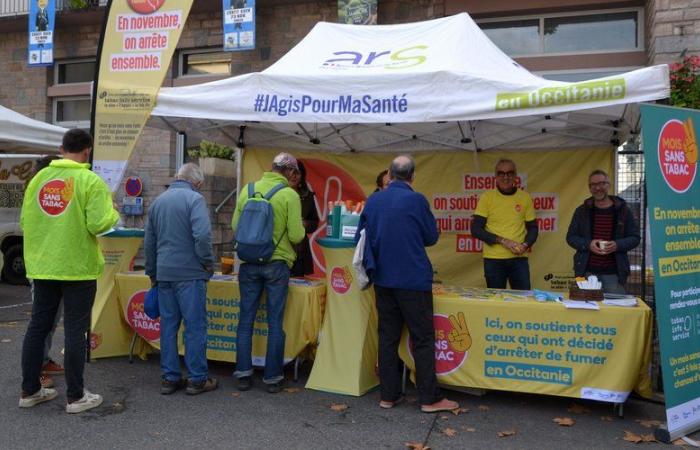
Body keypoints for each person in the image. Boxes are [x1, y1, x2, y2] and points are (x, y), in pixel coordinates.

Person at [19, 129, 119, 413]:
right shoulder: (90, 181)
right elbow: (99, 224)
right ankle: (75, 396)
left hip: (42, 265)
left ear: (62, 149)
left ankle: (30, 390)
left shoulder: (38, 179)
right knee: (75, 330)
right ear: (87, 151)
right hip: (77, 267)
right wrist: (113, 211)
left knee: (38, 326)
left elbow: (26, 221)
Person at [357, 155, 459, 413]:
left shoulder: (374, 200)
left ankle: (388, 396)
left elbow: (362, 234)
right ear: (413, 176)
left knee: (387, 337)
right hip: (413, 280)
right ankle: (429, 399)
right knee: (423, 339)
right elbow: (431, 237)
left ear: (389, 175)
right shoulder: (416, 200)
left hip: (382, 278)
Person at [232, 153, 305, 393]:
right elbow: (296, 236)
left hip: (249, 263)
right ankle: (272, 378)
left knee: (245, 320)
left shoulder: (248, 190)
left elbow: (235, 227)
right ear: (290, 173)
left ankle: (243, 374)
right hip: (277, 265)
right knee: (275, 322)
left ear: (272, 168)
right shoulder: (289, 195)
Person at [144, 163, 218, 396]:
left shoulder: (158, 201)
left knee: (168, 327)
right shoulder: (194, 200)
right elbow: (203, 235)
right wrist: (207, 262)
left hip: (164, 273)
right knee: (195, 327)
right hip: (190, 273)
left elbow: (149, 242)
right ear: (198, 183)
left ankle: (169, 377)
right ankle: (197, 379)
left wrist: (152, 273)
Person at [566, 170, 640, 294]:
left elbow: (635, 238)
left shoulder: (623, 210)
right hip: (586, 272)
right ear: (589, 188)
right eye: (593, 185)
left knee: (615, 311)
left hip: (615, 274)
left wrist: (617, 245)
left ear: (608, 185)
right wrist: (589, 244)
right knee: (586, 310)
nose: (597, 188)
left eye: (601, 183)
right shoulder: (581, 211)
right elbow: (571, 237)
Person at [28, 155, 65, 390]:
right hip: (43, 268)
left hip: (53, 267)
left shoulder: (45, 194)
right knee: (42, 323)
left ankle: (43, 360)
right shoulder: (37, 195)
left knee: (51, 321)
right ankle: (36, 371)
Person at [472, 159, 538, 290]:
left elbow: (533, 228)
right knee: (496, 302)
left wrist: (525, 245)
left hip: (519, 259)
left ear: (515, 175)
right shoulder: (487, 197)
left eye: (509, 173)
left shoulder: (525, 197)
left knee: (523, 300)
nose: (505, 177)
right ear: (495, 176)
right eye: (501, 173)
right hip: (494, 260)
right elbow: (475, 229)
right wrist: (503, 241)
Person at [289, 160, 320, 277]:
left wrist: (304, 224)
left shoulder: (308, 196)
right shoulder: (275, 193)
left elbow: (314, 222)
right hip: (278, 250)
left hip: (299, 251)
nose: (294, 175)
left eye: (297, 172)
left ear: (302, 176)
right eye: (290, 172)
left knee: (298, 286)